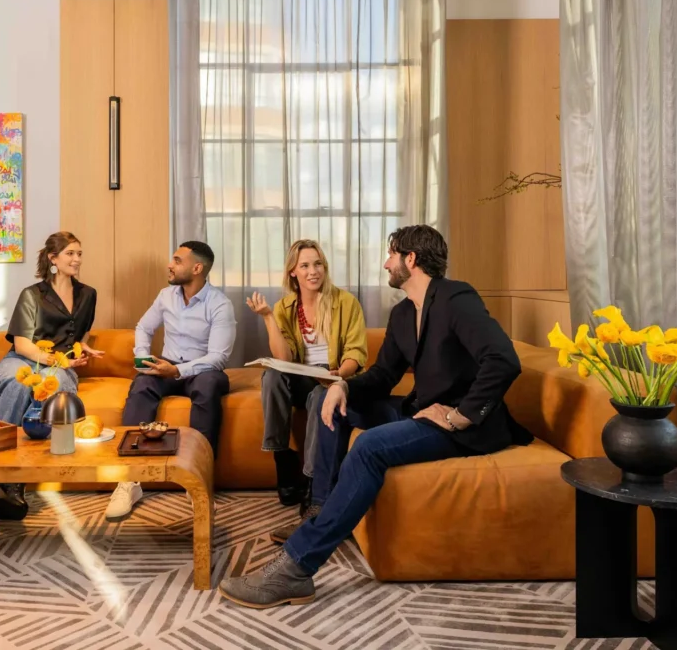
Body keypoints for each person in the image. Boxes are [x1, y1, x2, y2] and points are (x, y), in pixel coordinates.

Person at [218, 225, 533, 608]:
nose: (386, 264)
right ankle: (320, 508)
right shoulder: (403, 314)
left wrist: (462, 416)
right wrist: (343, 387)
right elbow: (384, 375)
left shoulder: (456, 298)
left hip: (459, 426)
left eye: (391, 255)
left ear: (410, 259)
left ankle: (295, 569)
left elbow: (503, 360)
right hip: (421, 409)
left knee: (368, 447)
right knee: (333, 404)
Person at [105, 241, 237, 521]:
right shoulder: (166, 296)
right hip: (167, 364)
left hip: (203, 369)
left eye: (177, 260)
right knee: (141, 384)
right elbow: (144, 327)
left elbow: (217, 358)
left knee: (208, 385)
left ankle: (199, 481)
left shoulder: (220, 305)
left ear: (197, 268)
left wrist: (177, 372)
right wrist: (143, 357)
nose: (170, 264)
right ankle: (129, 480)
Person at [0, 231, 105, 520]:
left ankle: (7, 480)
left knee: (58, 383)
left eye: (79, 253)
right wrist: (52, 359)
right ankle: (0, 474)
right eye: (70, 254)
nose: (77, 259)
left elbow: (79, 333)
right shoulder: (32, 294)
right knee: (20, 380)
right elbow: (22, 343)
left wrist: (79, 348)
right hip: (24, 358)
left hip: (60, 366)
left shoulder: (88, 294)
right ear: (53, 259)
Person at [245, 239, 367, 512]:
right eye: (305, 266)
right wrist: (267, 317)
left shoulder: (346, 302)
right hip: (301, 375)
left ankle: (312, 483)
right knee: (272, 376)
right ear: (293, 272)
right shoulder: (286, 307)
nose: (313, 271)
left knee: (319, 395)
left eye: (318, 264)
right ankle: (283, 460)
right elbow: (284, 360)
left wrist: (338, 376)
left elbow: (356, 353)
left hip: (334, 376)